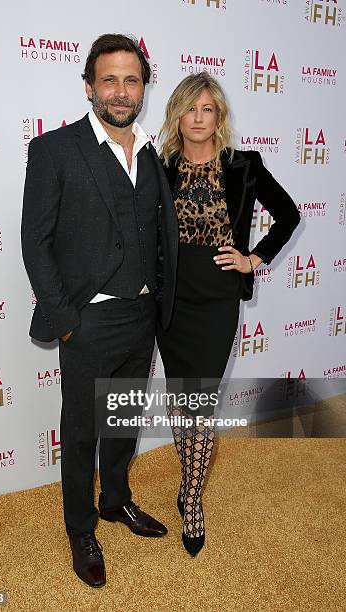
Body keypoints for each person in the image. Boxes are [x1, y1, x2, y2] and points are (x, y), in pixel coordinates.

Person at [21, 34, 178, 588]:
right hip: (86, 322)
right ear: (89, 86)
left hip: (140, 318)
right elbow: (35, 241)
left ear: (143, 88)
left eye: (130, 80)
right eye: (108, 79)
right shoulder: (55, 150)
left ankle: (115, 500)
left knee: (123, 424)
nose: (120, 90)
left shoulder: (153, 154)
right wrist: (65, 319)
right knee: (82, 431)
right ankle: (80, 526)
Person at [156, 72, 300, 557]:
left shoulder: (244, 165)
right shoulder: (162, 166)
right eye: (189, 109)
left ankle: (192, 499)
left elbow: (289, 215)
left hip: (217, 301)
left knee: (201, 403)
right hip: (170, 302)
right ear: (178, 115)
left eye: (207, 109)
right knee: (181, 399)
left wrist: (252, 258)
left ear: (219, 116)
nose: (198, 119)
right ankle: (188, 481)